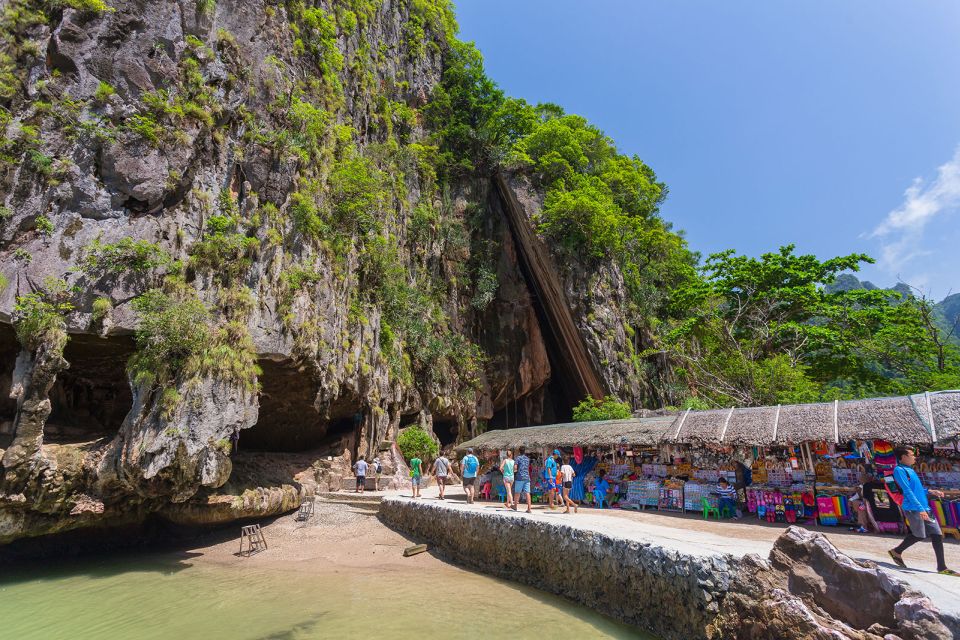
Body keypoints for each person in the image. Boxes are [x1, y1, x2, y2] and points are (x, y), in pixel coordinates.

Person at [888, 447, 957, 576]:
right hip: (913, 508)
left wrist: (931, 491)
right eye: (911, 455)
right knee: (919, 535)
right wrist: (920, 509)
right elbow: (907, 491)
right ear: (903, 457)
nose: (915, 457)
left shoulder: (910, 470)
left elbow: (917, 489)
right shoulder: (899, 470)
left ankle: (942, 567)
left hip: (924, 507)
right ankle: (896, 551)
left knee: (936, 534)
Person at [514, 446, 532, 513]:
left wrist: (514, 471)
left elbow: (515, 468)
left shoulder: (518, 458)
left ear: (519, 451)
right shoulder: (527, 459)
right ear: (525, 451)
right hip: (527, 477)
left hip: (520, 477)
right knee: (527, 493)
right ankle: (529, 508)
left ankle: (515, 506)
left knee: (517, 492)